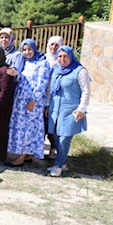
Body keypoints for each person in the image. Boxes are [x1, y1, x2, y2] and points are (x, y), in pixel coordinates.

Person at [5, 38, 52, 166]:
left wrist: (33, 100)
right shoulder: (26, 62)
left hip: (32, 102)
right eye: (24, 50)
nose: (27, 52)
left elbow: (42, 84)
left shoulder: (43, 63)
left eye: (29, 49)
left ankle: (20, 158)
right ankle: (27, 154)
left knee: (29, 128)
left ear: (35, 49)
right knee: (21, 127)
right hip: (20, 101)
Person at [47, 46, 89, 177]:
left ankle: (58, 166)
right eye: (60, 56)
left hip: (71, 110)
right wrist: (48, 106)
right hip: (55, 109)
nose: (62, 59)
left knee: (64, 138)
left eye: (65, 56)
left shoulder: (80, 71)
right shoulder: (56, 70)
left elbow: (86, 91)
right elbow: (50, 89)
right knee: (55, 135)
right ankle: (62, 162)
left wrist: (82, 108)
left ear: (71, 57)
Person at [43, 35, 65, 160]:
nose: (53, 47)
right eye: (51, 44)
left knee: (53, 126)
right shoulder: (43, 59)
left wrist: (48, 103)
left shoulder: (62, 62)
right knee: (42, 126)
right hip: (41, 98)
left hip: (54, 99)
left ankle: (54, 149)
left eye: (57, 45)